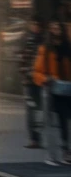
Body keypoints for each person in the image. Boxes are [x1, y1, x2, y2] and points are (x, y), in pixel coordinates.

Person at [33, 20, 71, 165]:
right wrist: (45, 79)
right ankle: (51, 156)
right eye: (53, 28)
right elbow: (37, 71)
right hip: (51, 89)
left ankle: (66, 152)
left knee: (65, 122)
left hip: (67, 89)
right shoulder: (45, 49)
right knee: (50, 123)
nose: (56, 30)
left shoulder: (67, 48)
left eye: (58, 28)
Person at [19, 19, 44, 148]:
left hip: (40, 81)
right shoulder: (27, 40)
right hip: (29, 81)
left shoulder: (44, 41)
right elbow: (22, 59)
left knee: (41, 111)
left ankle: (38, 137)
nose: (34, 27)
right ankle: (34, 139)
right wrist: (25, 74)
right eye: (33, 24)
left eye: (37, 25)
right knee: (31, 110)